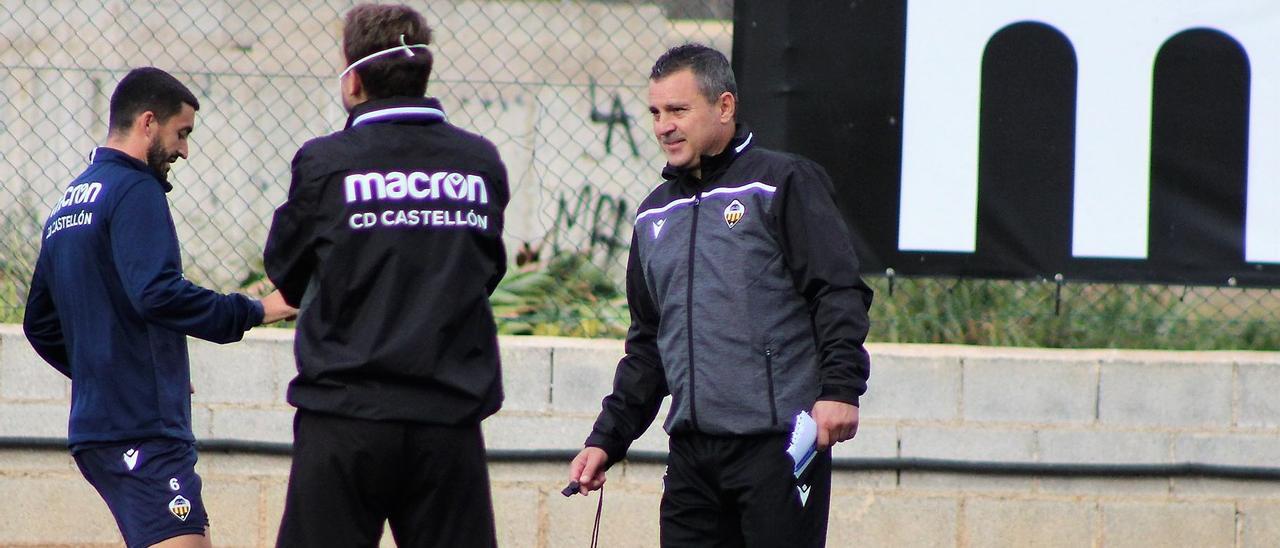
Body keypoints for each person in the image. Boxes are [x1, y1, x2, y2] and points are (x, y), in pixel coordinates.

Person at [566, 44, 874, 547]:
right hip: (691, 456)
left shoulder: (782, 182)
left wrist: (840, 389)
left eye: (678, 110)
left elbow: (837, 292)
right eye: (655, 112)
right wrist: (607, 439)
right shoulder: (652, 215)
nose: (663, 125)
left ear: (724, 107)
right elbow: (648, 345)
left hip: (777, 447)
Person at [263, 4, 509, 547]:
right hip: (448, 424)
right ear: (421, 72)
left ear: (353, 80)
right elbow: (485, 271)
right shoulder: (479, 162)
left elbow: (286, 270)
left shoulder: (327, 162)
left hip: (344, 421)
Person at [22, 67, 296, 548]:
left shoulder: (70, 201)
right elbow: (157, 292)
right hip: (141, 432)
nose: (184, 151)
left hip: (102, 428)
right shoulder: (136, 190)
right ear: (148, 122)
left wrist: (116, 373)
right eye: (182, 133)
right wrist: (256, 309)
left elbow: (40, 324)